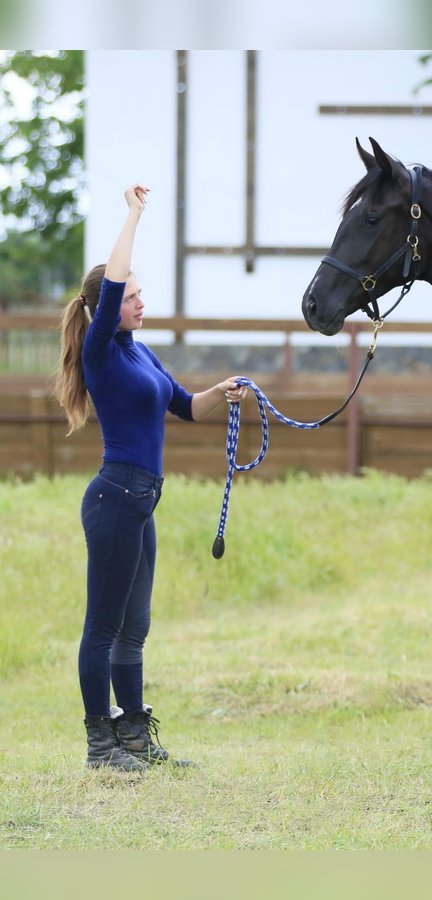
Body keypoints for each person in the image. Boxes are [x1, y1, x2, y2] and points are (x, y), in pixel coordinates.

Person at [53, 183, 248, 771]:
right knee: (103, 627)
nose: (140, 303)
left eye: (140, 294)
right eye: (132, 297)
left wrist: (224, 391)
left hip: (141, 503)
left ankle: (135, 738)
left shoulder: (139, 351)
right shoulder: (102, 351)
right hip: (114, 499)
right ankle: (99, 746)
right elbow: (111, 282)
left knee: (133, 630)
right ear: (108, 307)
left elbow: (186, 406)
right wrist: (133, 215)